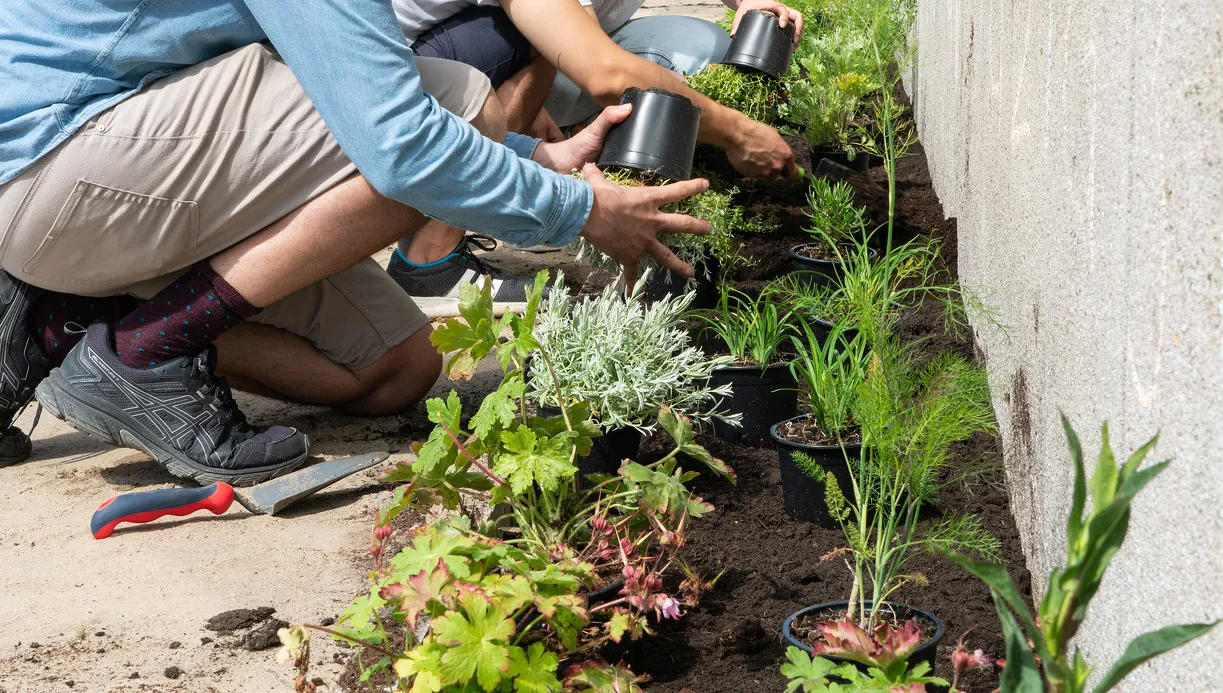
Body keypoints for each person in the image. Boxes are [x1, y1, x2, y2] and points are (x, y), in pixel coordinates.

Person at [0, 0, 709, 483]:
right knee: (458, 102)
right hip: (49, 158)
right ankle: (147, 350)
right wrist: (582, 210)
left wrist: (543, 161)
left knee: (392, 370)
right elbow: (403, 144)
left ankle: (64, 326)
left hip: (103, 165)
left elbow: (344, 96)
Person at [385, 0, 803, 302]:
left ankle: (621, 189)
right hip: (405, 86)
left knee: (700, 46)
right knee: (540, 38)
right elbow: (605, 73)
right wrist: (738, 132)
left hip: (529, 45)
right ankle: (430, 260)